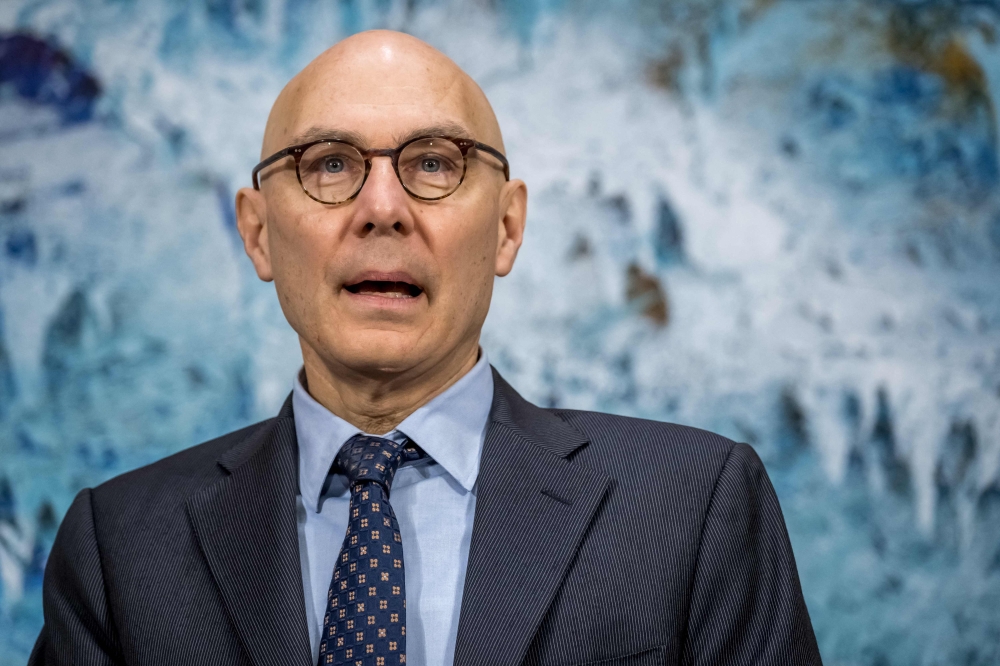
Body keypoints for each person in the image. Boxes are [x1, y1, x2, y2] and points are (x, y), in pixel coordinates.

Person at [29, 30, 822, 666]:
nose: (383, 208)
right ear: (258, 232)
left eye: (435, 165)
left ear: (507, 226)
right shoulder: (120, 550)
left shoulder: (695, 507)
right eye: (330, 164)